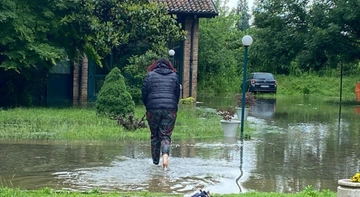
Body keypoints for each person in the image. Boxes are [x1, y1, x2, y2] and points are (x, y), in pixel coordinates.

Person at [141, 58, 180, 169]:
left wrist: (148, 105)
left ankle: (155, 162)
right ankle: (165, 158)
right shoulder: (174, 76)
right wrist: (173, 106)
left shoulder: (150, 75)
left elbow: (144, 93)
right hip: (170, 109)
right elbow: (177, 93)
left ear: (155, 66)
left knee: (154, 136)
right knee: (165, 136)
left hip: (152, 109)